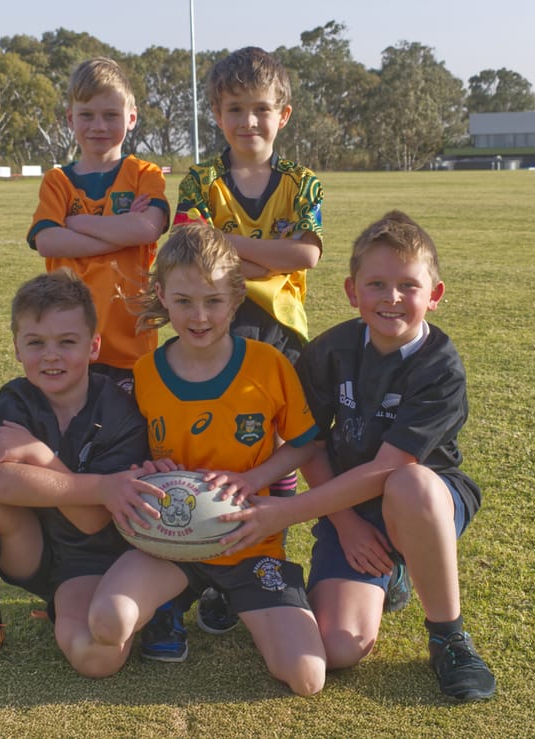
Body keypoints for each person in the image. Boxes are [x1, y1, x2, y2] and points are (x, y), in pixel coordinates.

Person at [219, 211, 497, 702]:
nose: (392, 298)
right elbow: (306, 441)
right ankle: (389, 575)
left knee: (407, 484)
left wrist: (283, 512)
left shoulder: (440, 367)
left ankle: (448, 636)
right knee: (339, 647)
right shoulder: (331, 350)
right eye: (377, 284)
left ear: (434, 295)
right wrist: (345, 524)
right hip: (350, 504)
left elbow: (390, 467)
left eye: (408, 286)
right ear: (352, 291)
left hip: (427, 499)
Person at [86, 224, 327, 695]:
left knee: (306, 677)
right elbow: (128, 455)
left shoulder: (269, 364)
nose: (199, 316)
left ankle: (231, 594)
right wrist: (143, 470)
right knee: (107, 624)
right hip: (166, 540)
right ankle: (174, 600)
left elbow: (306, 444)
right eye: (183, 301)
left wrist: (254, 477)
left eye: (214, 301)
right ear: (162, 295)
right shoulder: (145, 373)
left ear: (237, 298)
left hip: (248, 538)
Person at [158, 44, 325, 650]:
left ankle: (266, 561)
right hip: (212, 325)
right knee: (214, 447)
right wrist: (257, 250)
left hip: (282, 332)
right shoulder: (201, 179)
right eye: (235, 109)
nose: (247, 122)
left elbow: (305, 255)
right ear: (217, 114)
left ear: (284, 114)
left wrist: (224, 242)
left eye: (260, 109)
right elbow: (188, 248)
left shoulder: (301, 182)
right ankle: (210, 566)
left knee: (289, 449)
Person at [0, 269, 151, 678]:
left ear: (94, 345)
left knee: (96, 661)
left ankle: (130, 604)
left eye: (67, 342)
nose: (51, 355)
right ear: (16, 348)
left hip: (93, 559)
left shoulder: (119, 410)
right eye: (36, 343)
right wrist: (98, 485)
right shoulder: (16, 398)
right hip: (33, 547)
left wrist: (39, 455)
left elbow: (93, 517)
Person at [26, 57, 169, 392]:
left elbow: (148, 229)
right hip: (68, 341)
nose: (98, 126)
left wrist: (76, 222)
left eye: (111, 115)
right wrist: (122, 230)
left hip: (130, 345)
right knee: (72, 433)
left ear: (131, 117)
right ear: (69, 118)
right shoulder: (58, 181)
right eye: (86, 115)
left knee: (129, 435)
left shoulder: (144, 174)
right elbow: (47, 241)